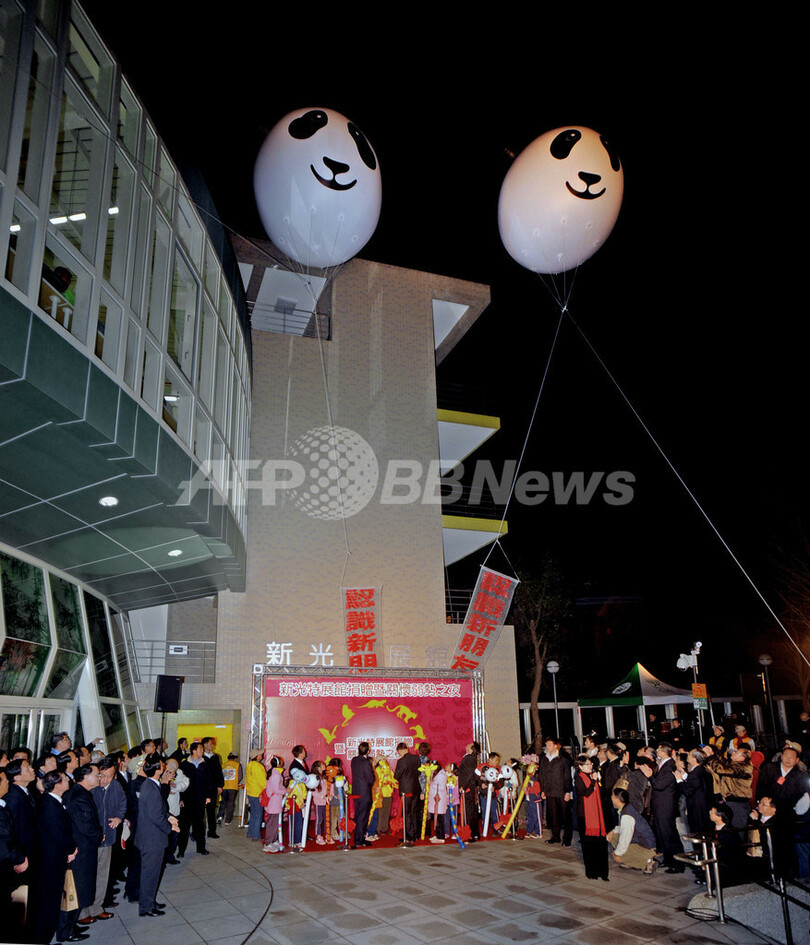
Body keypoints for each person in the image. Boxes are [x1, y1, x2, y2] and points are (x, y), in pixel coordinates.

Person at [31, 770, 82, 945]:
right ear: (57, 784)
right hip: (52, 861)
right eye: (65, 779)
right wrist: (71, 849)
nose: (68, 780)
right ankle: (42, 939)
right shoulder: (50, 805)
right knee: (50, 902)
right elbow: (59, 833)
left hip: (55, 858)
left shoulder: (53, 801)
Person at [135, 753, 178, 917]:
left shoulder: (151, 784)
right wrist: (170, 827)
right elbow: (155, 815)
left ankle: (150, 901)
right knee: (150, 874)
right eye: (162, 764)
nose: (164, 766)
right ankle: (146, 907)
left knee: (153, 873)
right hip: (151, 839)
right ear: (158, 769)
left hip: (151, 837)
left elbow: (158, 810)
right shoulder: (151, 787)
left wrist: (168, 816)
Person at [86, 757, 125, 923]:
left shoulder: (116, 786)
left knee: (102, 876)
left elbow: (123, 803)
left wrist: (119, 817)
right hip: (90, 841)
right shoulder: (90, 788)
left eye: (110, 775)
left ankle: (97, 907)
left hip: (108, 838)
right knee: (88, 876)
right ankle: (83, 911)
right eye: (102, 775)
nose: (106, 779)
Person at [65, 763, 103, 928]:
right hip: (82, 849)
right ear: (86, 776)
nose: (99, 777)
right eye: (97, 774)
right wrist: (98, 836)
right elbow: (85, 825)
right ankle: (68, 928)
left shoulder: (80, 793)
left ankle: (70, 926)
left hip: (84, 847)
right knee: (78, 888)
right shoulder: (79, 796)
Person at [574, 755, 609, 881]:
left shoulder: (593, 776)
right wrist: (594, 781)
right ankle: (591, 872)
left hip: (597, 814)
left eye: (591, 764)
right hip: (585, 816)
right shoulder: (579, 779)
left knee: (600, 844)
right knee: (588, 846)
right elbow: (586, 793)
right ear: (580, 766)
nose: (591, 766)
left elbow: (601, 793)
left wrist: (597, 781)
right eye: (588, 764)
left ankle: (603, 872)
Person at [651, 742, 684, 873]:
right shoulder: (662, 764)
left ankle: (677, 864)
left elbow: (659, 785)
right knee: (662, 834)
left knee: (669, 834)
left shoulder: (670, 766)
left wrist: (649, 776)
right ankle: (668, 859)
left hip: (666, 806)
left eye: (658, 749)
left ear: (664, 751)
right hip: (660, 805)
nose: (657, 751)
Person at [608, 787, 658, 873]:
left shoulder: (627, 815)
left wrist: (617, 854)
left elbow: (625, 838)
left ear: (617, 799)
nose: (611, 798)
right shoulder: (625, 809)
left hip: (646, 847)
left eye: (612, 796)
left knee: (619, 846)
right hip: (640, 842)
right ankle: (633, 861)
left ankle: (648, 862)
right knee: (614, 836)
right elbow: (623, 828)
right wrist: (612, 831)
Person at [178, 742, 211, 856]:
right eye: (200, 749)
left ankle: (201, 848)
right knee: (184, 826)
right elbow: (180, 782)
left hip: (200, 799)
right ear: (194, 751)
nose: (202, 750)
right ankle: (181, 850)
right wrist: (181, 798)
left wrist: (208, 796)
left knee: (200, 825)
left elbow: (208, 782)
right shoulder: (184, 765)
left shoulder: (205, 764)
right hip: (187, 799)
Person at [539, 738, 572, 845]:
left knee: (565, 816)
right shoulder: (544, 759)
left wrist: (567, 791)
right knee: (553, 816)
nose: (547, 747)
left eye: (549, 744)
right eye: (546, 745)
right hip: (550, 791)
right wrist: (543, 790)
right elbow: (542, 775)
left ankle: (567, 839)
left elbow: (567, 776)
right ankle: (555, 837)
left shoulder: (563, 759)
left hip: (561, 791)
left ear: (555, 746)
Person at [394, 742, 420, 846]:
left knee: (407, 813)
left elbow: (397, 775)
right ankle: (414, 835)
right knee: (414, 812)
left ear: (400, 750)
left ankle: (408, 836)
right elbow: (419, 772)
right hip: (415, 788)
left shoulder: (401, 761)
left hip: (405, 790)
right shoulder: (416, 758)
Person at [351, 742, 375, 848]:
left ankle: (359, 838)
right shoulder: (366, 762)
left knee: (359, 816)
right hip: (364, 793)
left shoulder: (354, 760)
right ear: (368, 751)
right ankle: (359, 840)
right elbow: (371, 779)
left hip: (356, 791)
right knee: (363, 817)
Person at [261, 756, 286, 853]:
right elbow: (276, 789)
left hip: (274, 802)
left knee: (275, 822)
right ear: (279, 763)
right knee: (272, 823)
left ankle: (273, 840)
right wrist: (285, 790)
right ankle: (268, 843)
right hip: (274, 802)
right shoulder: (276, 774)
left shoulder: (274, 772)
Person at [458, 742, 481, 842]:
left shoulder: (469, 759)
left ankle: (470, 834)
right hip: (470, 787)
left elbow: (467, 774)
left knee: (468, 811)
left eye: (468, 745)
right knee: (471, 811)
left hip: (467, 788)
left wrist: (463, 786)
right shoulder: (471, 758)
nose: (466, 745)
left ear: (472, 749)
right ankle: (475, 833)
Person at [201, 737, 224, 837]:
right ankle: (198, 832)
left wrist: (220, 785)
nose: (212, 745)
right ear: (205, 745)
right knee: (201, 811)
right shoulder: (201, 757)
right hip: (203, 787)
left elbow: (219, 772)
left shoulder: (215, 757)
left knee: (212, 810)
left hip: (213, 787)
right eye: (210, 743)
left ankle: (212, 831)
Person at [245, 749, 267, 841]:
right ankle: (256, 835)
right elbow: (262, 782)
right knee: (258, 814)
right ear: (257, 756)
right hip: (258, 793)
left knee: (254, 814)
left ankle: (250, 832)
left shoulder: (249, 765)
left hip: (251, 792)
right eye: (260, 754)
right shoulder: (258, 766)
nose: (261, 755)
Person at [426, 760, 448, 843]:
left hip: (439, 800)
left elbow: (442, 787)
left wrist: (431, 783)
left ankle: (441, 837)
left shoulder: (441, 774)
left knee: (439, 818)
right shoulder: (435, 773)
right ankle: (437, 835)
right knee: (436, 817)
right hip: (435, 800)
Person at [220, 752, 243, 826]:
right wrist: (235, 781)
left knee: (223, 802)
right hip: (233, 787)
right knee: (230, 803)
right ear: (235, 758)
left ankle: (220, 816)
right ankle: (228, 820)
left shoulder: (223, 765)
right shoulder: (237, 765)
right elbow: (240, 776)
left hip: (224, 786)